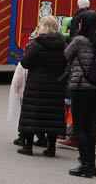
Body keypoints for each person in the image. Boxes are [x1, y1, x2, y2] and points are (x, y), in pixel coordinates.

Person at [16, 16, 67, 157]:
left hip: (36, 86)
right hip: (55, 86)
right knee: (52, 116)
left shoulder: (37, 46)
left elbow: (25, 63)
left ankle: (28, 147)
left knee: (32, 115)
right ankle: (51, 148)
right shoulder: (63, 46)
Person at [64, 11, 96, 178]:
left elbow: (66, 54)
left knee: (79, 126)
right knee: (90, 126)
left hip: (81, 86)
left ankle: (85, 164)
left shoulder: (80, 40)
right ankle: (91, 165)